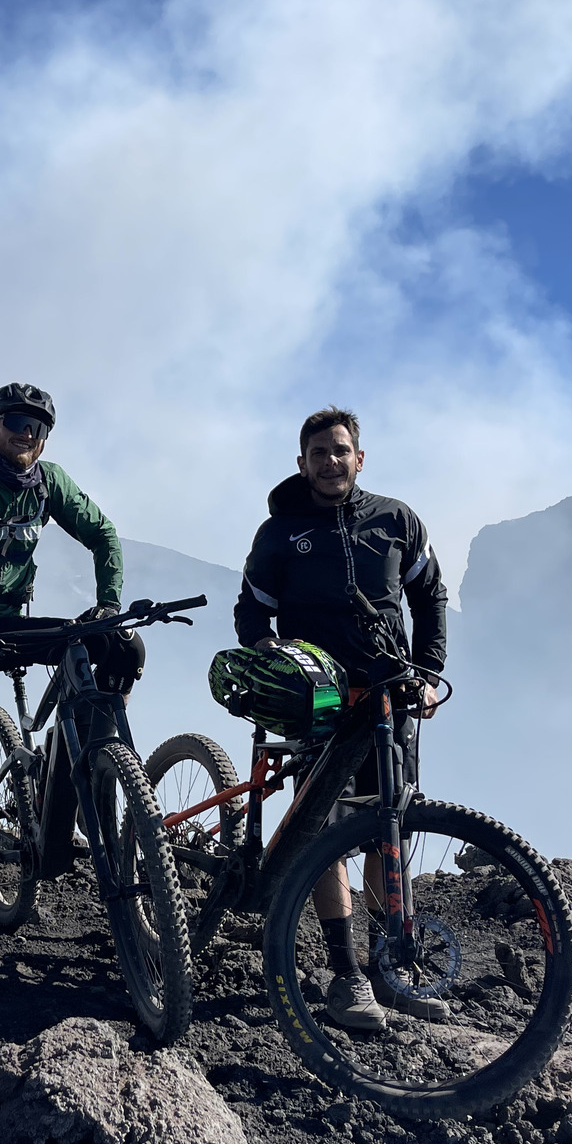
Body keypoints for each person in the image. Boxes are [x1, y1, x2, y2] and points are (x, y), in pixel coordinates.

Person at [234, 406, 448, 1030]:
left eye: (341, 451)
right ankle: (344, 975)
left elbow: (429, 595)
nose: (331, 462)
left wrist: (429, 672)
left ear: (361, 457)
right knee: (326, 834)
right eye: (319, 453)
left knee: (389, 829)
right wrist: (269, 654)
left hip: (391, 697)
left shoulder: (396, 520)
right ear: (301, 463)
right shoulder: (280, 533)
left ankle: (391, 970)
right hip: (321, 703)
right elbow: (252, 614)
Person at [0, 383, 143, 829]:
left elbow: (103, 534)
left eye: (36, 427)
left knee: (123, 650)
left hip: (15, 625)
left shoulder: (49, 482)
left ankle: (79, 763)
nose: (26, 434)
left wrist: (108, 606)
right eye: (16, 423)